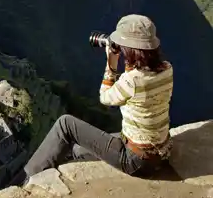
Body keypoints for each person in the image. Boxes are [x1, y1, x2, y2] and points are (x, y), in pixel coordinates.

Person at [14, 14, 173, 185]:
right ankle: (45, 177)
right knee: (75, 150)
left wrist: (111, 64)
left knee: (65, 124)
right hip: (159, 152)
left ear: (130, 49)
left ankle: (26, 179)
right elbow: (142, 86)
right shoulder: (167, 69)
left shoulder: (132, 80)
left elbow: (105, 97)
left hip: (135, 160)